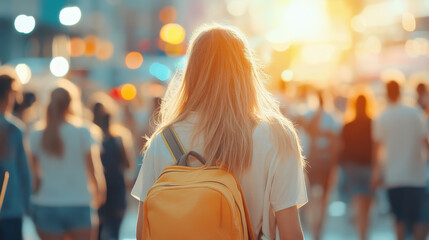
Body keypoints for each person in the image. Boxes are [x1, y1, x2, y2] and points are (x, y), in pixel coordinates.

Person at [131, 24, 307, 239]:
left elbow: (143, 233)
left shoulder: (164, 140)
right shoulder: (276, 136)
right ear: (246, 70)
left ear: (191, 73)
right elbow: (290, 233)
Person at [29, 86, 106, 240]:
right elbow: (93, 170)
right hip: (79, 201)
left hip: (47, 203)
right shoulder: (85, 131)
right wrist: (100, 193)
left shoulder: (36, 134)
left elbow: (34, 176)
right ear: (71, 103)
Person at [372, 80, 428, 240]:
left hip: (393, 177)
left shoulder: (382, 117)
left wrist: (376, 174)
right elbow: (425, 142)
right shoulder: (415, 112)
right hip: (416, 176)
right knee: (419, 219)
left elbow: (377, 149)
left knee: (399, 219)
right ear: (401, 91)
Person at [301, 91, 340, 240]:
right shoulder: (331, 117)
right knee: (324, 196)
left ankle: (312, 225)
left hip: (310, 160)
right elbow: (335, 143)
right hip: (325, 161)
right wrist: (334, 165)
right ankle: (319, 230)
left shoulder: (309, 115)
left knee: (309, 195)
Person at [93, 101, 133, 240]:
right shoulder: (119, 138)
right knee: (114, 233)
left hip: (96, 191)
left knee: (97, 233)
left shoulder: (90, 137)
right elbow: (128, 163)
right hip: (116, 190)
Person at [0, 73, 31, 240]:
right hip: (11, 207)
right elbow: (23, 170)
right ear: (9, 94)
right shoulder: (14, 129)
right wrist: (27, 204)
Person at [341, 92, 375, 240]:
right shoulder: (373, 124)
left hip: (353, 169)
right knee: (366, 208)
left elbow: (343, 149)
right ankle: (363, 235)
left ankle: (362, 234)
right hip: (369, 169)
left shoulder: (348, 125)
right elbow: (376, 148)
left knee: (359, 206)